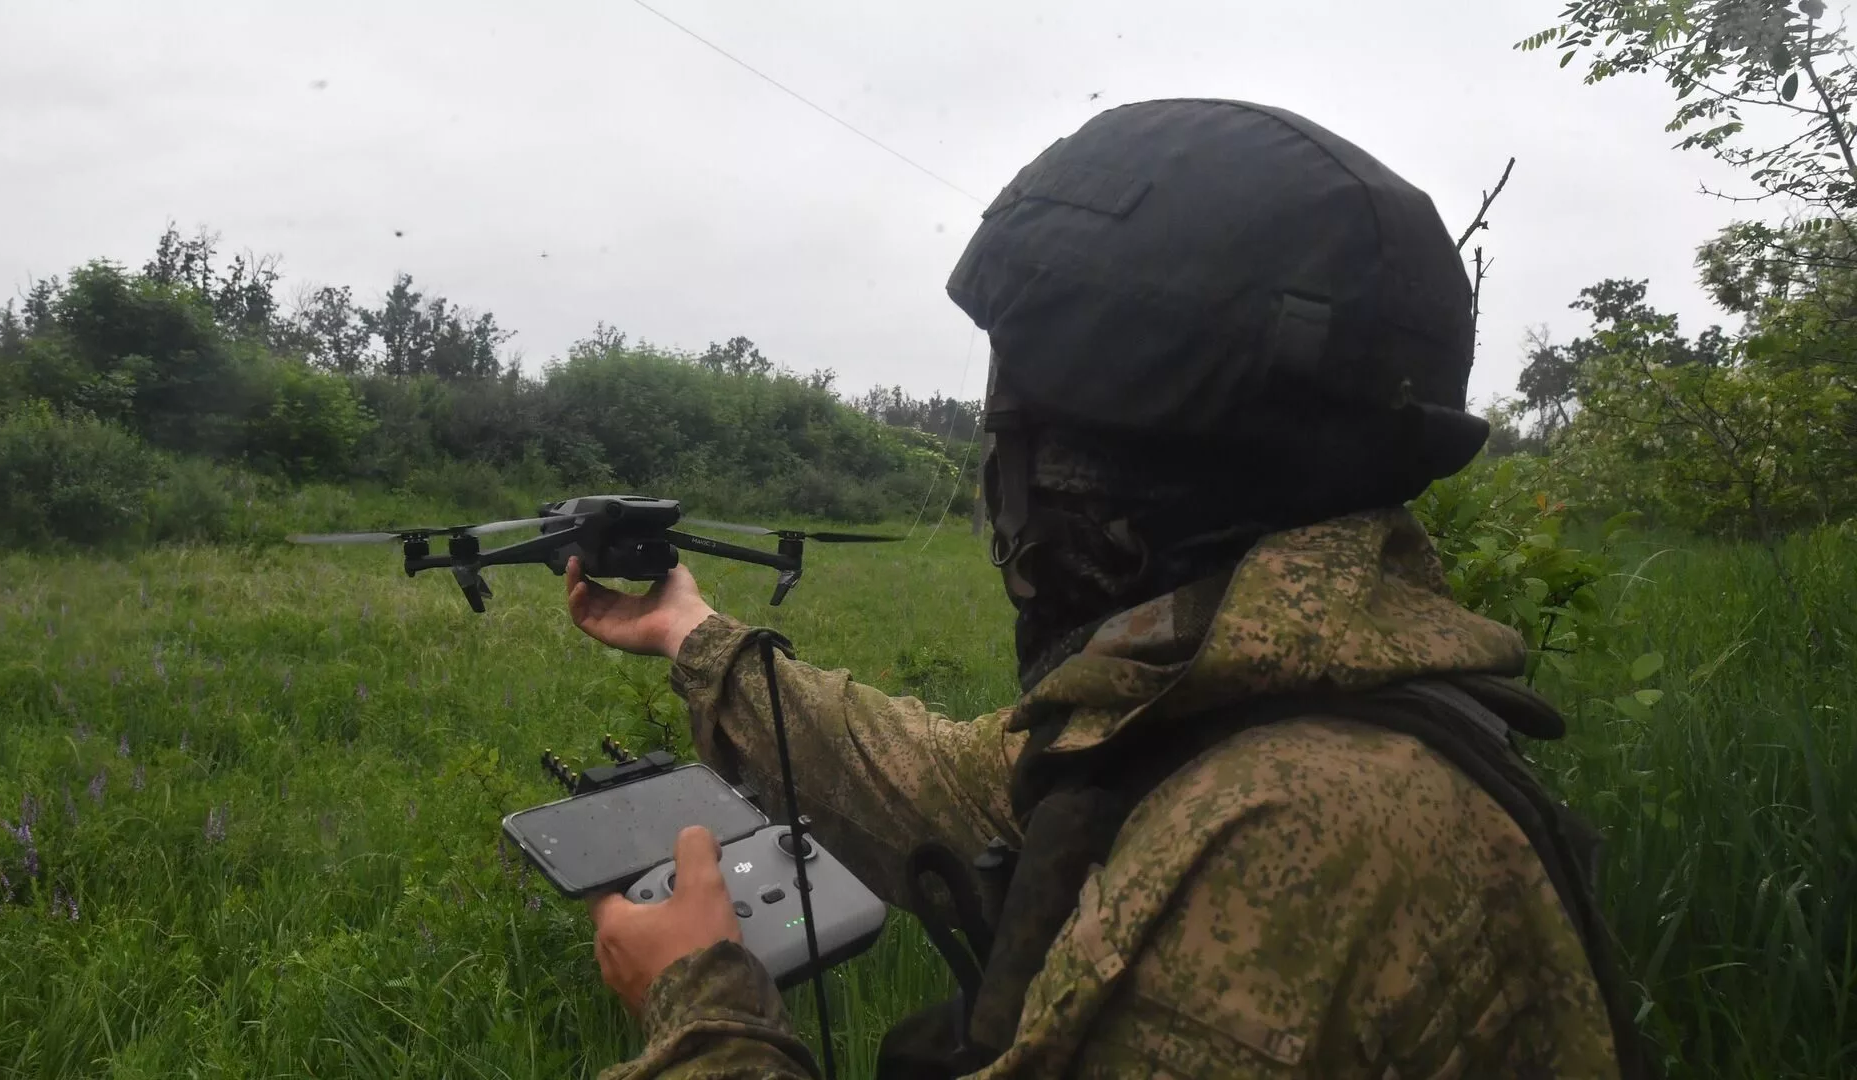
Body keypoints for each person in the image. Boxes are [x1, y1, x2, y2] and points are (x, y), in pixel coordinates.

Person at [570, 99, 1647, 1079]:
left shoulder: (1282, 837)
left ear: (1121, 461)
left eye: (1022, 428)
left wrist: (702, 1007)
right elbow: (938, 784)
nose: (1004, 473)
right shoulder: (1234, 704)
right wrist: (691, 633)